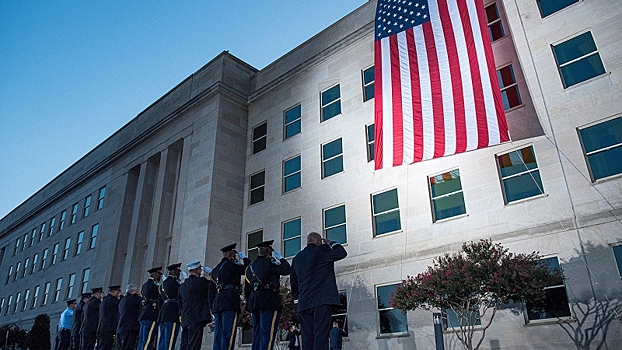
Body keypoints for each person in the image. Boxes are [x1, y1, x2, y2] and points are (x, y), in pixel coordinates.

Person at [290, 232, 347, 350]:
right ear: (318, 241)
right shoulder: (322, 251)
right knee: (321, 335)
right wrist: (332, 243)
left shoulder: (297, 259)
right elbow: (342, 253)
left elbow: (293, 283)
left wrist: (297, 301)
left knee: (307, 337)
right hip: (321, 300)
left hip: (304, 302)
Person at [244, 240, 290, 350]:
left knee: (257, 334)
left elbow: (247, 289)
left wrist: (249, 304)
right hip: (268, 301)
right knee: (267, 335)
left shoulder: (250, 267)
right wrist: (282, 259)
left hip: (254, 302)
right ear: (269, 251)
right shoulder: (270, 262)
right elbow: (287, 269)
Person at [210, 243, 250, 350]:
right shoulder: (231, 264)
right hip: (229, 301)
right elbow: (247, 269)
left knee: (218, 335)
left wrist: (212, 306)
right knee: (228, 334)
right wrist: (245, 259)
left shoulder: (215, 269)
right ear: (231, 253)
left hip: (218, 303)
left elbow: (211, 290)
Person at [178, 259, 214, 350]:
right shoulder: (201, 282)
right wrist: (212, 274)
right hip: (196, 318)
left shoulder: (182, 286)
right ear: (197, 270)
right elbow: (214, 285)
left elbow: (180, 302)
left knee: (184, 345)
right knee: (194, 345)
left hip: (185, 318)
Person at [158, 263, 183, 350]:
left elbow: (160, 300)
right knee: (170, 340)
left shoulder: (163, 284)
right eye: (177, 271)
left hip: (164, 312)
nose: (179, 273)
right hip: (172, 312)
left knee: (162, 340)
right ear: (173, 272)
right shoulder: (175, 284)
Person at [137, 267, 163, 350]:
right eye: (159, 275)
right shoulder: (155, 286)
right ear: (155, 274)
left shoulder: (144, 285)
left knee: (141, 341)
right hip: (151, 315)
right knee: (148, 340)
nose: (159, 277)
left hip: (144, 315)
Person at [117, 284, 142, 350]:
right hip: (130, 327)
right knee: (128, 346)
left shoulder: (122, 300)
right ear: (133, 291)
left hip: (121, 326)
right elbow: (142, 301)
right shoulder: (134, 298)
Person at [97, 285, 122, 350]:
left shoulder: (105, 300)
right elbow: (121, 304)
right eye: (118, 292)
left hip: (103, 327)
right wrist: (121, 296)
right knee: (105, 346)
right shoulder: (112, 299)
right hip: (107, 327)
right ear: (115, 291)